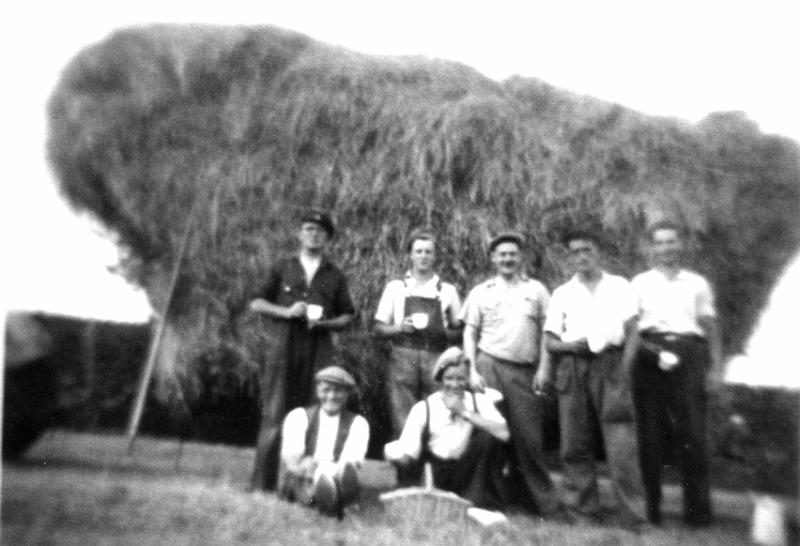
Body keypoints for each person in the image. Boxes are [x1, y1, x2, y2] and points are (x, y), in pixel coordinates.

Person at [535, 230, 647, 527]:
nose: (581, 256)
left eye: (587, 249)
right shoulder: (562, 293)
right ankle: (582, 512)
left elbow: (634, 333)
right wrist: (571, 346)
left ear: (598, 252)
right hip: (572, 367)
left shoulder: (620, 287)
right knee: (574, 443)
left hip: (611, 364)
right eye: (575, 252)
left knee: (621, 441)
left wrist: (624, 370)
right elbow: (550, 342)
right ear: (569, 257)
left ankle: (633, 516)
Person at [621, 220, 723, 526]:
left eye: (671, 242)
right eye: (660, 242)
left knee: (692, 435)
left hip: (689, 355)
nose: (666, 248)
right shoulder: (639, 283)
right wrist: (628, 368)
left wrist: (715, 367)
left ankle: (697, 514)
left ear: (682, 245)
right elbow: (631, 329)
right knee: (649, 438)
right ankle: (651, 511)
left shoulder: (697, 283)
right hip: (650, 356)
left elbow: (710, 327)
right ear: (651, 247)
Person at [248, 210, 356, 491]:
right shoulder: (283, 266)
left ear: (328, 238)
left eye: (320, 231)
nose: (314, 234)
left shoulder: (335, 275)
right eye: (308, 229)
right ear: (300, 233)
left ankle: (305, 487)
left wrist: (326, 322)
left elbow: (348, 316)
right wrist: (286, 311)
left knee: (314, 412)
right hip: (283, 345)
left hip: (319, 345)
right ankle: (263, 484)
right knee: (275, 410)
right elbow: (256, 303)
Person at [461, 232, 562, 516]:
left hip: (525, 371)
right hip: (488, 366)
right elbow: (469, 332)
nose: (507, 259)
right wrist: (471, 369)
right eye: (502, 254)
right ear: (493, 259)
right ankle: (485, 500)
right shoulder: (481, 291)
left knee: (529, 439)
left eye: (512, 254)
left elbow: (548, 331)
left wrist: (544, 368)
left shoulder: (538, 290)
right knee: (488, 436)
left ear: (520, 257)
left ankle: (541, 503)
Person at [384, 347, 509, 509]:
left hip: (467, 470)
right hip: (436, 471)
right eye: (449, 378)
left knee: (489, 437)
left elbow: (504, 433)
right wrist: (393, 454)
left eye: (461, 379)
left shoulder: (478, 402)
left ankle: (478, 500)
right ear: (440, 379)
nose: (455, 385)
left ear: (467, 380)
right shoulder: (424, 408)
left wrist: (464, 412)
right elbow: (409, 455)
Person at [373, 229, 463, 437]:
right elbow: (378, 328)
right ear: (410, 255)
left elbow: (459, 331)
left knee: (438, 411)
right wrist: (398, 328)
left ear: (435, 256)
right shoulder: (396, 288)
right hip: (404, 356)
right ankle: (408, 465)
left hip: (436, 357)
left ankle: (436, 464)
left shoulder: (447, 290)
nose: (423, 256)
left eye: (428, 252)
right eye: (419, 251)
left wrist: (442, 332)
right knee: (402, 413)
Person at [278, 366, 369, 516]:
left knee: (339, 473)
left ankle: (334, 497)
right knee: (311, 483)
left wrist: (334, 471)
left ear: (347, 394)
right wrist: (307, 468)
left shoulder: (358, 423)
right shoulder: (299, 417)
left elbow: (351, 461)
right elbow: (291, 460)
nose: (332, 396)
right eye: (326, 390)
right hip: (306, 476)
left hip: (336, 473)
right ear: (318, 391)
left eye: (338, 391)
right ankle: (332, 500)